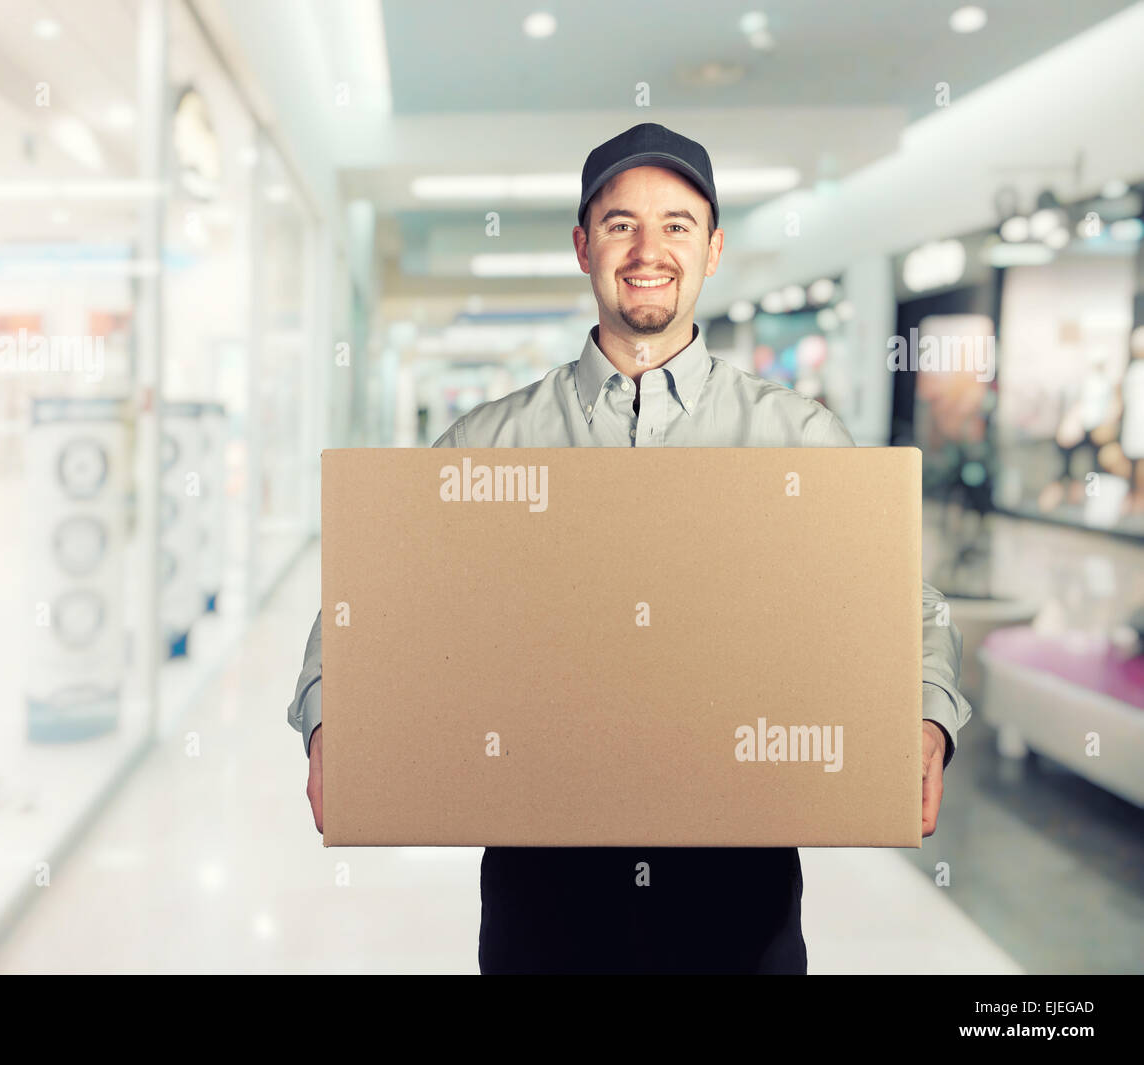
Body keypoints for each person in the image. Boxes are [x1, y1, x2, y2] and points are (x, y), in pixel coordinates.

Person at [288, 122, 971, 974]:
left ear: (714, 247)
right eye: (620, 224)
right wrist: (332, 715)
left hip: (739, 892)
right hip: (542, 894)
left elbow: (906, 606)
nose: (649, 249)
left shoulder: (797, 438)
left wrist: (925, 714)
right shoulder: (488, 444)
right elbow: (368, 607)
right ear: (583, 246)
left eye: (677, 224)